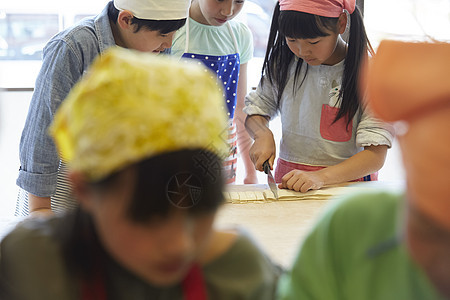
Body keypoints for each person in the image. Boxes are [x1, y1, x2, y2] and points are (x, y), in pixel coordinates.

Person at [1, 48, 280, 300]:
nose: (180, 245)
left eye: (200, 211)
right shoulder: (28, 267)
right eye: (150, 218)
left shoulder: (240, 273)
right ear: (84, 190)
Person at [277, 40, 450, 299]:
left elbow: (374, 155)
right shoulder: (353, 228)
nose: (444, 266)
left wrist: (320, 177)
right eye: (426, 229)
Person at [15, 0, 190, 217]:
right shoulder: (73, 46)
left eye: (174, 33)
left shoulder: (157, 51)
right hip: (57, 181)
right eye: (163, 35)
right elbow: (42, 128)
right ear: (126, 20)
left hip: (113, 184)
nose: (168, 43)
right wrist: (40, 206)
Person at [244, 0, 394, 192]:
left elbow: (375, 156)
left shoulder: (370, 72)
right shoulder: (283, 61)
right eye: (291, 40)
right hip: (289, 181)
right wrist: (262, 133)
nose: (301, 51)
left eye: (313, 42)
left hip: (347, 188)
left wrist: (320, 177)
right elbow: (257, 109)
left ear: (341, 23)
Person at [170, 0, 257, 184]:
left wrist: (251, 172)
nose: (228, 10)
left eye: (239, 1)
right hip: (177, 145)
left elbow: (240, 108)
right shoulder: (172, 30)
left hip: (223, 144)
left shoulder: (240, 35)